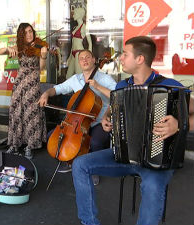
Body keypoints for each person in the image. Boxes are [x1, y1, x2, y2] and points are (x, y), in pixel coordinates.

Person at [72, 36, 187, 225]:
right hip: (124, 155)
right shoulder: (122, 86)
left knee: (151, 185)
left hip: (157, 160)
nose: (121, 58)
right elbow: (114, 105)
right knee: (80, 165)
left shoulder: (170, 86)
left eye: (125, 54)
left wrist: (178, 122)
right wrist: (107, 117)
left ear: (140, 59)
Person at [39, 49, 117, 179]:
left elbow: (117, 97)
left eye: (88, 57)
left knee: (96, 143)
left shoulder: (105, 78)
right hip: (76, 122)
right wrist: (46, 93)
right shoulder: (75, 79)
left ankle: (94, 169)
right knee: (51, 136)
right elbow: (57, 89)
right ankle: (69, 161)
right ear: (79, 63)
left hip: (98, 122)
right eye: (81, 58)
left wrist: (97, 87)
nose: (85, 60)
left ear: (93, 60)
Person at [0, 23, 47, 160]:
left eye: (30, 31)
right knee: (16, 111)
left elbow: (41, 68)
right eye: (25, 33)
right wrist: (8, 48)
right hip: (19, 83)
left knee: (31, 113)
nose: (29, 34)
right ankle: (14, 143)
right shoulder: (19, 47)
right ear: (21, 35)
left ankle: (30, 145)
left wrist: (43, 56)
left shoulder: (40, 46)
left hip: (32, 82)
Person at [66, 7, 92, 79]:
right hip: (73, 53)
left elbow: (90, 42)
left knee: (79, 74)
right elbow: (73, 43)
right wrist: (70, 56)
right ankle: (72, 90)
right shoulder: (75, 28)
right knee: (68, 75)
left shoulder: (84, 27)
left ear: (79, 15)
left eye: (75, 13)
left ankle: (81, 90)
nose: (73, 15)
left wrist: (90, 55)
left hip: (79, 53)